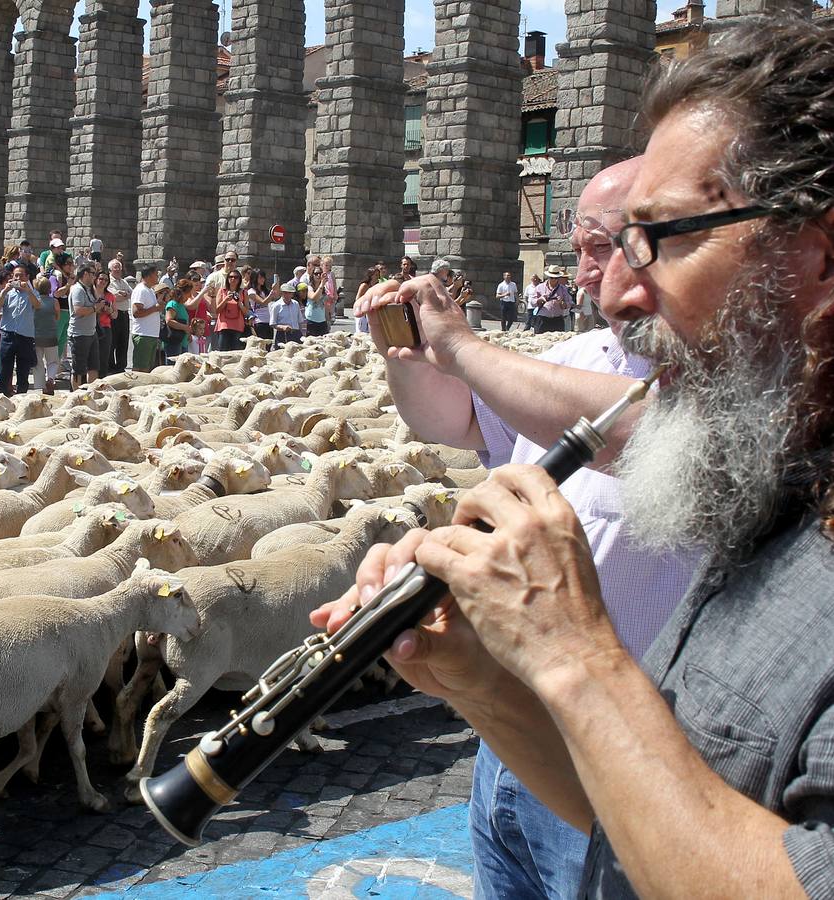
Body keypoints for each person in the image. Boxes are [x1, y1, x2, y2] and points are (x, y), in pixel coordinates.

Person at [322, 20, 834, 898]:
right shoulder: (772, 492)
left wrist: (575, 659)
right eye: (613, 243)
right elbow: (654, 827)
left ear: (821, 255)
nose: (622, 293)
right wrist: (483, 686)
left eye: (663, 237)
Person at [351, 154, 700, 899]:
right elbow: (454, 419)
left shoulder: (714, 387)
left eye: (605, 247)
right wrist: (410, 356)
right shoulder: (570, 356)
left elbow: (649, 426)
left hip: (635, 751)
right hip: (510, 736)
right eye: (577, 249)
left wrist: (467, 347)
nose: (584, 274)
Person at [0, 263, 41, 395]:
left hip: (25, 336)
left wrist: (29, 291)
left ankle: (21, 394)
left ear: (27, 277)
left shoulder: (32, 292)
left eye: (21, 276)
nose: (18, 279)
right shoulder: (8, 293)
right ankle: (2, 393)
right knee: (4, 369)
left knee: (23, 370)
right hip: (8, 334)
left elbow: (37, 305)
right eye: (15, 276)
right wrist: (4, 291)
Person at [67, 263, 100, 389]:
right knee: (78, 369)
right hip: (79, 334)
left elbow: (96, 302)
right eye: (92, 274)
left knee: (93, 367)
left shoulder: (89, 289)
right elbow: (78, 310)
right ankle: (76, 395)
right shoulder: (77, 289)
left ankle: (91, 393)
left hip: (91, 333)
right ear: (85, 274)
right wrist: (94, 308)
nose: (94, 277)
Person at [130, 265, 165, 373]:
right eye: (156, 274)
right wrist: (155, 308)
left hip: (150, 335)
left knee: (147, 368)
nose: (157, 276)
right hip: (143, 335)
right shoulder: (141, 290)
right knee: (140, 368)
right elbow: (136, 312)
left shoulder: (149, 290)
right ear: (149, 275)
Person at [31, 273, 61, 394]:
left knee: (38, 362)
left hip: (36, 335)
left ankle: (40, 385)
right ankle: (50, 379)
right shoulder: (54, 302)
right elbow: (57, 317)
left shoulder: (34, 302)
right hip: (51, 335)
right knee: (52, 361)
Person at [212, 267, 248, 352]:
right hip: (224, 325)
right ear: (227, 279)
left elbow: (246, 312)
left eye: (236, 277)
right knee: (222, 352)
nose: (233, 279)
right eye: (231, 277)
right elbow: (217, 310)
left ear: (239, 280)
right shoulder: (222, 291)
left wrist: (239, 302)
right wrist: (225, 300)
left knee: (236, 353)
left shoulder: (243, 293)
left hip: (238, 326)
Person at [107, 258, 131, 373]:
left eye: (119, 267)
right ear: (110, 269)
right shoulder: (109, 281)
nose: (118, 270)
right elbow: (114, 297)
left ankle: (121, 367)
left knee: (124, 341)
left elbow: (131, 293)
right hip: (115, 315)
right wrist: (124, 294)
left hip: (125, 314)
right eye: (115, 267)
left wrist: (123, 294)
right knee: (113, 342)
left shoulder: (123, 281)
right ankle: (111, 367)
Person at [162, 278, 196, 361]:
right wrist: (185, 327)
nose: (190, 296)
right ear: (184, 292)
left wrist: (188, 333)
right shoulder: (173, 304)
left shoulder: (182, 305)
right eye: (189, 293)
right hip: (174, 342)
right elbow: (169, 321)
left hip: (183, 342)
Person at [534, 266, 572, 333]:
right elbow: (532, 302)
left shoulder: (563, 289)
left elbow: (568, 303)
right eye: (552, 278)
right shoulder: (539, 287)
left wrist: (562, 303)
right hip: (543, 318)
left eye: (556, 278)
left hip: (557, 320)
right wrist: (540, 299)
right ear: (548, 277)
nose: (554, 280)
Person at [268, 279, 303, 347]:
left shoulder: (296, 304)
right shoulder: (276, 305)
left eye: (289, 293)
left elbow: (300, 321)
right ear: (281, 293)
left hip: (296, 333)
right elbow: (272, 323)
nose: (287, 295)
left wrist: (301, 334)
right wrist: (282, 327)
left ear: (292, 294)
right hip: (282, 334)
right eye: (285, 293)